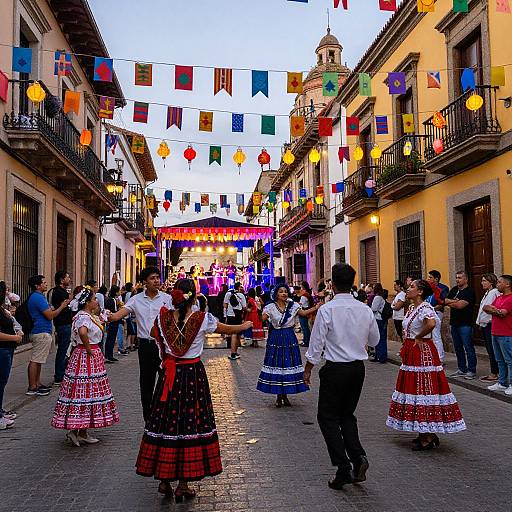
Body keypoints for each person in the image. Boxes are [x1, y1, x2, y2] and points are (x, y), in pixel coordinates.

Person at [135, 278, 252, 501]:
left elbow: (152, 334)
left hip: (169, 377)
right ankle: (183, 484)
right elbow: (226, 329)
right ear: (194, 296)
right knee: (189, 423)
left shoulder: (163, 317)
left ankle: (164, 480)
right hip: (192, 377)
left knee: (166, 423)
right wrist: (245, 326)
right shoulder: (202, 319)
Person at [304, 264, 380, 489]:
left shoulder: (327, 310)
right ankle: (358, 457)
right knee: (347, 414)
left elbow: (316, 344)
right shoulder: (364, 309)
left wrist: (308, 368)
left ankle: (343, 467)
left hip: (335, 368)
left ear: (332, 285)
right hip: (357, 368)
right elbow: (374, 340)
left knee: (327, 417)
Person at [386, 279, 466, 450]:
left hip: (422, 352)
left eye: (412, 287)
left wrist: (419, 336)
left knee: (423, 389)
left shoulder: (426, 308)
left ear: (420, 292)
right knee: (415, 389)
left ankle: (427, 435)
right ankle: (425, 432)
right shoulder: (412, 308)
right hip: (412, 351)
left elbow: (431, 323)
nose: (408, 289)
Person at [51, 287, 119, 445]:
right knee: (85, 392)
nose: (96, 301)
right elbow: (82, 332)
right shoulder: (83, 317)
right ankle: (78, 430)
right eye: (94, 299)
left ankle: (81, 430)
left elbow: (97, 323)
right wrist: (89, 349)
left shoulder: (88, 316)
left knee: (88, 393)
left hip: (87, 356)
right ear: (87, 303)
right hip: (86, 356)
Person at [107, 267, 173, 421]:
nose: (156, 280)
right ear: (145, 282)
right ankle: (149, 419)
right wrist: (108, 316)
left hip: (164, 346)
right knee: (146, 383)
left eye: (157, 277)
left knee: (167, 381)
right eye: (152, 278)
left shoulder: (166, 299)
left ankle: (165, 416)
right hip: (146, 346)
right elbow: (119, 315)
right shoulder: (136, 300)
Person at [256, 284, 318, 407]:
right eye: (281, 292)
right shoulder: (270, 307)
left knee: (287, 364)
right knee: (278, 364)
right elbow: (261, 319)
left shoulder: (293, 306)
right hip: (276, 338)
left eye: (285, 291)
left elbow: (304, 313)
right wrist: (258, 310)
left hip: (289, 337)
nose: (284, 294)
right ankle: (279, 395)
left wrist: (316, 307)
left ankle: (285, 395)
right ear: (276, 294)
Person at [26, 275, 69, 396]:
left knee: (39, 360)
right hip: (40, 331)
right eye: (43, 282)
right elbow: (50, 315)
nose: (46, 284)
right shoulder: (37, 297)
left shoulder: (39, 297)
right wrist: (62, 306)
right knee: (35, 359)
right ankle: (32, 386)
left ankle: (37, 383)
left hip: (42, 331)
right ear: (37, 285)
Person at [445, 271, 477, 379]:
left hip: (465, 324)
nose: (457, 280)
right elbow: (444, 301)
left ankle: (471, 370)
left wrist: (452, 302)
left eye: (460, 278)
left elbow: (460, 305)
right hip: (454, 323)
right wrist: (453, 301)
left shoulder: (469, 291)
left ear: (466, 279)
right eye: (456, 277)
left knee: (468, 347)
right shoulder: (454, 289)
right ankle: (462, 368)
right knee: (458, 348)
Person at [0, 281, 23, 429]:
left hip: (7, 350)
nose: (8, 293)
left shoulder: (2, 310)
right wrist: (14, 338)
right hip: (2, 350)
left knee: (2, 383)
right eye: (6, 291)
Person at [484, 275, 512, 395]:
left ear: (507, 284)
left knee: (509, 360)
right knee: (499, 360)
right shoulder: (499, 298)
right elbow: (486, 307)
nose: (497, 284)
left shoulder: (510, 298)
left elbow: (503, 313)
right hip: (495, 332)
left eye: (500, 282)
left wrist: (495, 310)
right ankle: (502, 382)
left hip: (507, 333)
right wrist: (496, 311)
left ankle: (511, 384)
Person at [476, 273, 500, 382]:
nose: (482, 283)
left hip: (490, 324)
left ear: (491, 282)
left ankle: (495, 373)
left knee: (492, 349)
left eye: (484, 280)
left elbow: (492, 308)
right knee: (490, 349)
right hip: (485, 324)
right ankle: (494, 371)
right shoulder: (487, 293)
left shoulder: (494, 292)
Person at [51, 271, 73, 385]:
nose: (69, 279)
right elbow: (64, 307)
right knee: (62, 349)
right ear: (61, 280)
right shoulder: (59, 292)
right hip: (63, 323)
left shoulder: (62, 292)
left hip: (64, 323)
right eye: (67, 277)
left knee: (64, 348)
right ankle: (59, 375)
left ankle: (61, 372)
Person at [426, 270, 449, 362]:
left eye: (430, 277)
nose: (428, 279)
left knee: (436, 335)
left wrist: (433, 308)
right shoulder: (427, 287)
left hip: (436, 313)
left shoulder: (443, 288)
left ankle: (440, 358)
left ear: (436, 279)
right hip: (426, 313)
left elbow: (443, 302)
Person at [224, 282, 247, 360]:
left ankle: (235, 352)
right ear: (239, 288)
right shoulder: (241, 295)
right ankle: (233, 353)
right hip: (238, 316)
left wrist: (225, 315)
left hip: (230, 315)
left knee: (235, 334)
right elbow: (244, 307)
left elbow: (225, 305)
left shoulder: (228, 294)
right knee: (236, 334)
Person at [370, 283, 388, 363]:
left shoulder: (377, 297)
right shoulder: (381, 297)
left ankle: (380, 356)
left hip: (378, 319)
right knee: (381, 338)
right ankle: (380, 356)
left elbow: (373, 309)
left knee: (379, 338)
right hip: (381, 319)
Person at [104, 286, 121, 363]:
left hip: (109, 321)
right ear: (116, 292)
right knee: (111, 338)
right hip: (113, 321)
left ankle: (108, 354)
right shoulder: (113, 300)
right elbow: (114, 311)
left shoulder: (109, 299)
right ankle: (109, 355)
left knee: (109, 338)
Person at [123, 283, 137, 352]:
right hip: (129, 315)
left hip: (128, 314)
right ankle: (130, 345)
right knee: (132, 331)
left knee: (130, 331)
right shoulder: (129, 295)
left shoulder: (126, 294)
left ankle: (128, 345)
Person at [299, 281, 314, 347]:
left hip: (304, 311)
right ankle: (306, 340)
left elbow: (301, 304)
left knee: (304, 327)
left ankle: (306, 341)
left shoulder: (304, 295)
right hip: (307, 310)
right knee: (305, 327)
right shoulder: (308, 294)